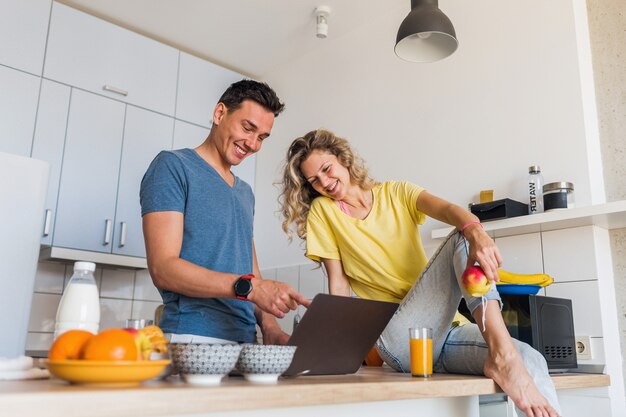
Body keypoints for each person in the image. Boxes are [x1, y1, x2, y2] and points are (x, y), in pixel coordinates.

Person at [279, 129, 562, 417]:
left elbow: (450, 209)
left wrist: (479, 233)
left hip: (446, 335)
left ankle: (505, 357)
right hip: (398, 338)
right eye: (315, 180)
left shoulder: (396, 192)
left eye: (327, 169)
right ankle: (503, 355)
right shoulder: (322, 212)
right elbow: (338, 283)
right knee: (461, 238)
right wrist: (337, 354)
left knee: (530, 357)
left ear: (342, 158)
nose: (325, 182)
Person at [140, 79, 309, 346]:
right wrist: (252, 289)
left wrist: (269, 327)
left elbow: (251, 276)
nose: (253, 144)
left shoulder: (245, 193)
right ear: (220, 114)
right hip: (192, 338)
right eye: (247, 128)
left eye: (262, 137)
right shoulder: (173, 167)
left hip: (245, 342)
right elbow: (163, 268)